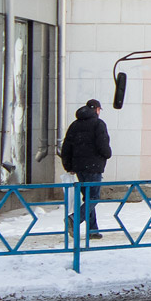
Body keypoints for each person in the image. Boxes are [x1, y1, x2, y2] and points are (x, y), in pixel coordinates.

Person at [61, 99, 113, 239]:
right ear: (96, 109)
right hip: (94, 167)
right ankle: (74, 219)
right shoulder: (98, 124)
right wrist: (107, 154)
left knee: (88, 198)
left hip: (79, 168)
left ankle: (92, 230)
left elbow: (66, 146)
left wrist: (69, 166)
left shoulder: (75, 125)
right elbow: (103, 145)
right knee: (94, 198)